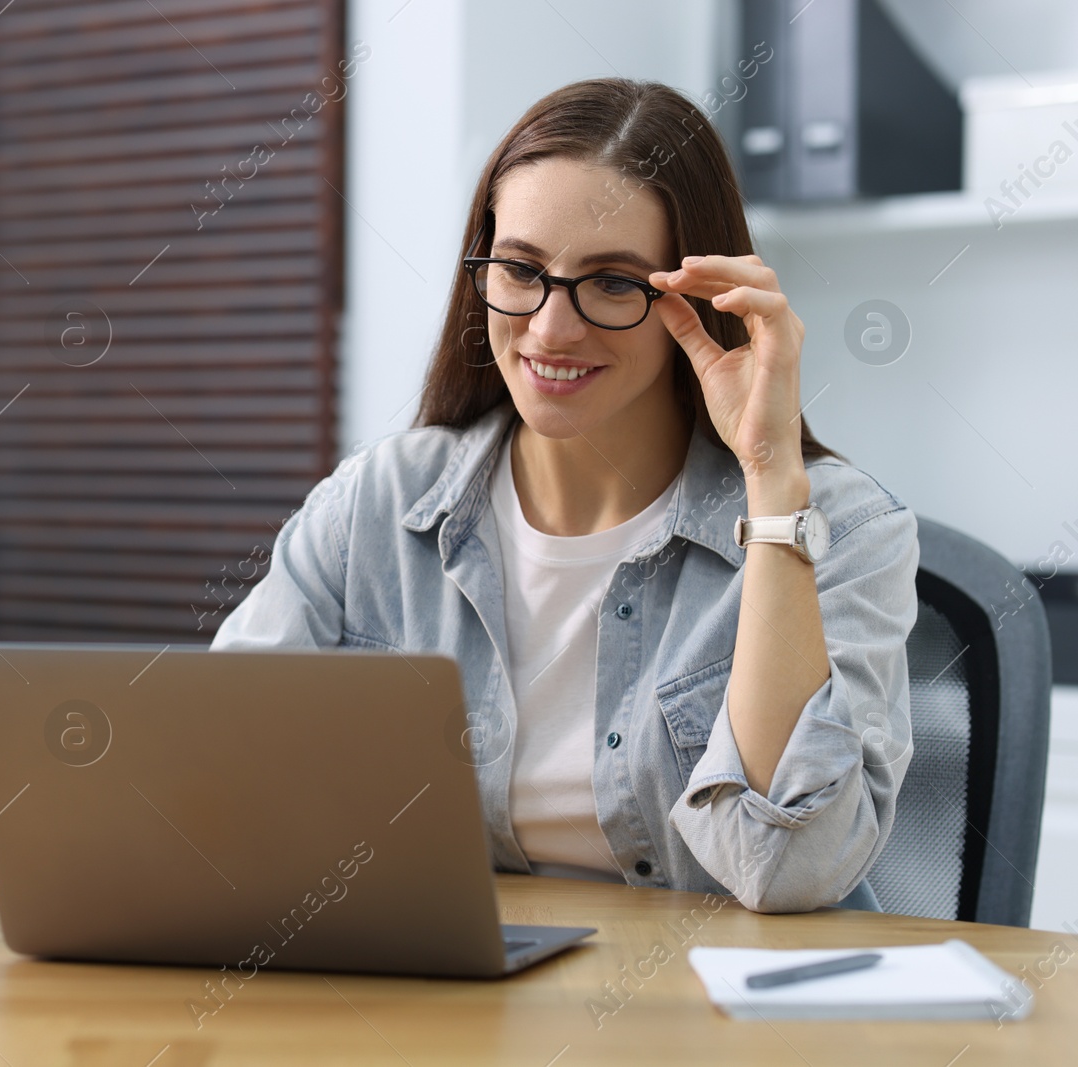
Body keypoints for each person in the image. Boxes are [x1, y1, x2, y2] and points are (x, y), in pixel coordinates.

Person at [209, 78, 919, 914]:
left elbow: (787, 867)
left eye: (614, 282)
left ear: (694, 299)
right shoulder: (375, 503)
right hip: (453, 1012)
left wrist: (769, 474)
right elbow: (219, 785)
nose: (550, 329)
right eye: (520, 269)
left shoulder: (842, 526)